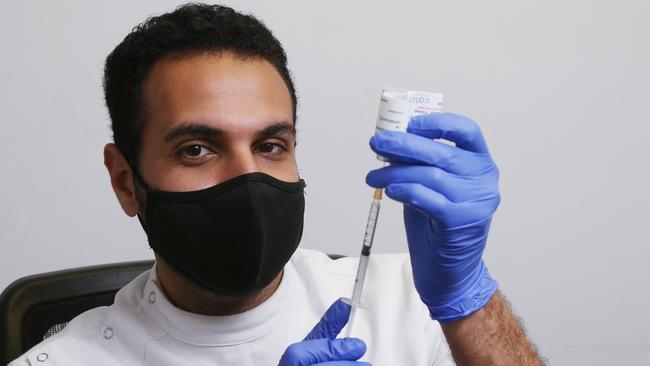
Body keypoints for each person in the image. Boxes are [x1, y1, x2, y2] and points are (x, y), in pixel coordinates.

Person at [9, 3, 545, 365]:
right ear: (127, 182)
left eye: (270, 146)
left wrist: (468, 299)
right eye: (197, 149)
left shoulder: (408, 303)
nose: (248, 179)